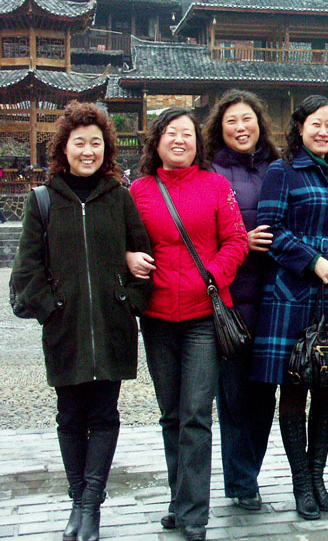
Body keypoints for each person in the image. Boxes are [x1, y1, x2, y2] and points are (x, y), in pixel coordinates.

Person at [11, 102, 152, 541]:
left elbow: (145, 258)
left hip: (111, 326)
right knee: (69, 416)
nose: (88, 151)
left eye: (96, 143)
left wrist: (129, 301)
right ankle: (78, 500)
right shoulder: (43, 200)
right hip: (66, 329)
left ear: (106, 148)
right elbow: (26, 271)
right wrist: (52, 309)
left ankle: (90, 506)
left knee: (105, 415)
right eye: (79, 143)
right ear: (64, 148)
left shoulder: (119, 198)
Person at [127, 108, 248, 541]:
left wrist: (211, 276)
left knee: (196, 414)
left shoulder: (216, 186)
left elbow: (236, 240)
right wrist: (127, 257)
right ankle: (178, 500)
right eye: (171, 133)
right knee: (171, 414)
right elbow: (122, 239)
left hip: (202, 316)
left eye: (188, 134)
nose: (179, 140)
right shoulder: (139, 190)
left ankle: (194, 513)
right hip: (157, 316)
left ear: (198, 144)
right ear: (157, 140)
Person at [252, 95, 328, 520]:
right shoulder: (282, 172)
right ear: (300, 128)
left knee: (326, 388)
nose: (323, 131)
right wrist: (311, 260)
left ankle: (319, 478)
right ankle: (301, 484)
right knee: (295, 389)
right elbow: (270, 231)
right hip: (292, 294)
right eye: (316, 123)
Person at [203, 89, 280, 511]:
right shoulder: (209, 170)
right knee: (232, 397)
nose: (240, 127)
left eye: (247, 119)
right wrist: (238, 242)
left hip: (273, 298)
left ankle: (249, 472)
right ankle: (242, 482)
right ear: (220, 127)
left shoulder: (276, 167)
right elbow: (199, 232)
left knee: (264, 395)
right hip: (230, 301)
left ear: (259, 123)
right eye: (231, 120)